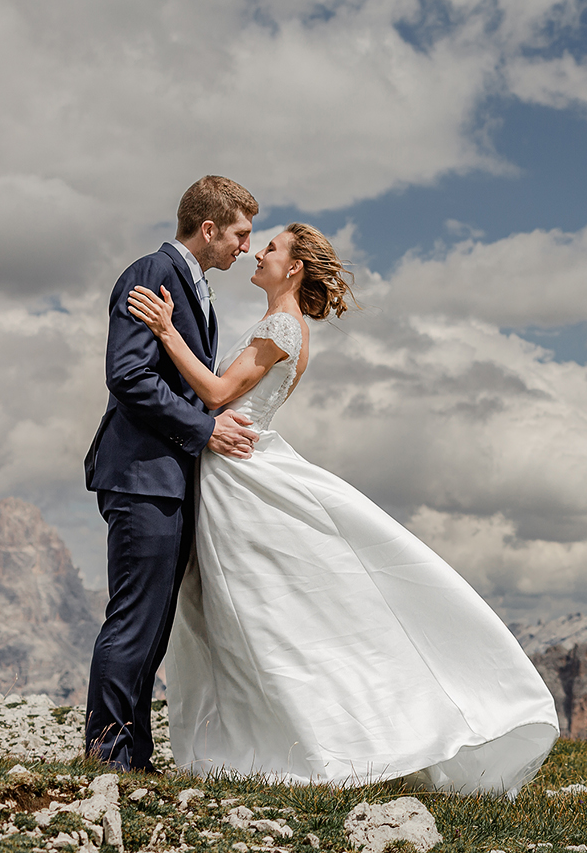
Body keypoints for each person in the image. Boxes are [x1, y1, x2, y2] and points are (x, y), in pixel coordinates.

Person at [126, 222, 558, 793]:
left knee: (257, 614)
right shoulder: (277, 324)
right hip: (228, 469)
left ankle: (307, 743)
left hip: (240, 479)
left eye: (271, 248)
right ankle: (257, 740)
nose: (258, 253)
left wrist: (165, 330)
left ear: (295, 268)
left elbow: (214, 391)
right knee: (240, 616)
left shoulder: (282, 325)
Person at [84, 175, 260, 771]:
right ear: (208, 229)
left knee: (154, 624)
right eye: (239, 234)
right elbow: (130, 375)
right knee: (135, 620)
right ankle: (107, 756)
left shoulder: (191, 285)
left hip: (166, 478)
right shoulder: (150, 274)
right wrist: (206, 429)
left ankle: (133, 755)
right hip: (141, 476)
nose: (245, 247)